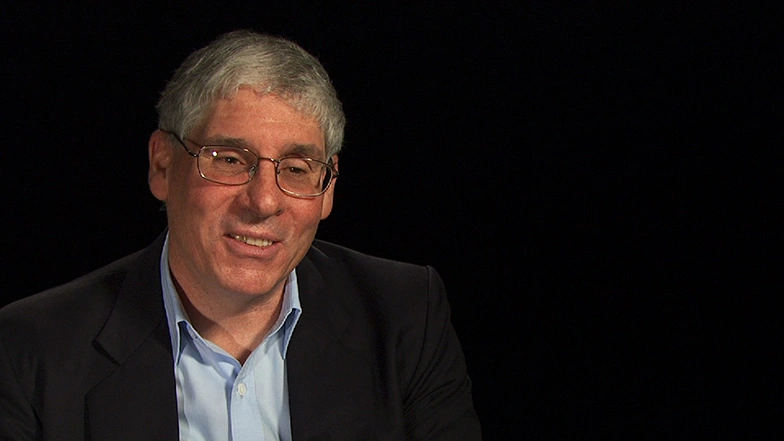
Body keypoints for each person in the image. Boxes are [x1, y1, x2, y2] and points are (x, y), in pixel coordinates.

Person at [0, 30, 481, 440]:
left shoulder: (404, 317)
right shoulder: (30, 350)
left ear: (328, 188)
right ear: (162, 165)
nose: (264, 201)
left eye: (297, 168)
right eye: (229, 160)